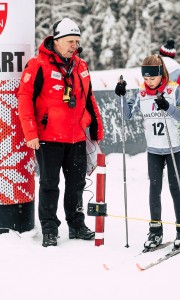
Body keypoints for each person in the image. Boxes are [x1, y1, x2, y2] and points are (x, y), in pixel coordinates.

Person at [17, 18, 104, 247]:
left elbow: (89, 97)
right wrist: (30, 133)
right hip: (47, 138)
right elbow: (24, 99)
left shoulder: (81, 65)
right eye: (69, 41)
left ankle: (76, 224)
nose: (74, 45)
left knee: (76, 184)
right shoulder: (38, 65)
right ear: (56, 41)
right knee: (49, 184)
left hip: (76, 136)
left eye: (77, 41)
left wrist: (95, 127)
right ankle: (49, 228)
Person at [115, 54, 180, 250]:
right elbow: (127, 115)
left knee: (175, 188)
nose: (149, 82)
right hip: (154, 149)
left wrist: (168, 107)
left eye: (152, 78)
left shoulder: (173, 89)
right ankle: (155, 230)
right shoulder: (141, 92)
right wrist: (121, 97)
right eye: (146, 79)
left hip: (173, 148)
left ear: (160, 75)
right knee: (154, 189)